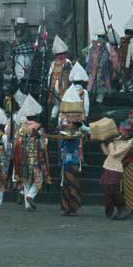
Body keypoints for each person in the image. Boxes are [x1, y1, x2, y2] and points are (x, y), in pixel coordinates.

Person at [13, 94, 51, 210]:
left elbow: (16, 142)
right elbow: (43, 142)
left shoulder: (20, 128)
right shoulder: (38, 127)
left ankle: (27, 204)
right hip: (35, 155)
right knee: (38, 177)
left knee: (26, 179)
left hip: (22, 155)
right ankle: (30, 195)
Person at [58, 84, 90, 217]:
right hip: (66, 161)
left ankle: (73, 208)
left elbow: (87, 131)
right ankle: (67, 208)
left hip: (74, 161)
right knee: (66, 185)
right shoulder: (65, 132)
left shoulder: (77, 132)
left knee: (72, 184)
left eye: (70, 121)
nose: (68, 122)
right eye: (68, 120)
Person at [99, 119, 133, 220]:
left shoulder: (127, 144)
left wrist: (110, 143)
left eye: (123, 131)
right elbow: (107, 153)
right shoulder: (118, 139)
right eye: (122, 130)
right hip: (107, 167)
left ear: (128, 134)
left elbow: (114, 153)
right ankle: (112, 210)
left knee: (114, 191)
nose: (121, 132)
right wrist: (102, 143)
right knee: (107, 191)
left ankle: (123, 208)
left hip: (115, 169)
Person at [48, 35, 72, 123]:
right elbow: (49, 78)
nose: (61, 57)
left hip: (62, 90)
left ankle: (57, 121)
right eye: (59, 55)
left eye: (63, 54)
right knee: (59, 106)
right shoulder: (53, 64)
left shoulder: (68, 63)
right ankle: (54, 121)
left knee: (61, 107)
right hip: (57, 90)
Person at [86, 31, 112, 103]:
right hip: (102, 72)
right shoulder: (106, 46)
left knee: (91, 88)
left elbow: (87, 59)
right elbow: (109, 59)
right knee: (100, 90)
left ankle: (92, 103)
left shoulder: (92, 45)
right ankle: (98, 104)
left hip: (92, 71)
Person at [118, 16, 133, 91]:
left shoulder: (122, 40)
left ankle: (124, 87)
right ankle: (126, 87)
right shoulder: (132, 40)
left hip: (122, 60)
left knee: (124, 74)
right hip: (127, 61)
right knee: (127, 74)